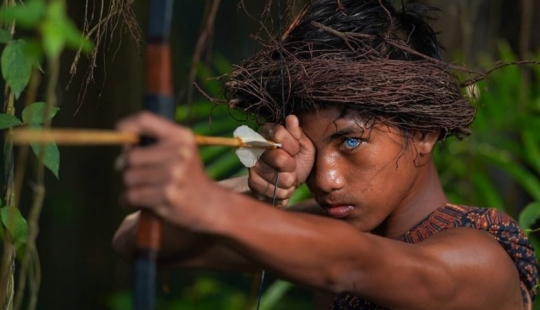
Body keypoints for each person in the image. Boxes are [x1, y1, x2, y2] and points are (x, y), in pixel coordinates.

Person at [112, 0, 538, 309]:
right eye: (312, 151)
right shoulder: (326, 233)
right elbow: (138, 239)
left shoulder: (479, 259)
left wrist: (207, 202)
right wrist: (260, 187)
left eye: (350, 142)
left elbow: (351, 265)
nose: (325, 179)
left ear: (423, 134)